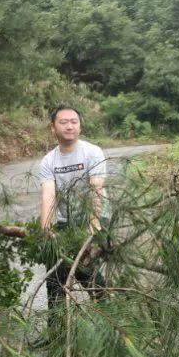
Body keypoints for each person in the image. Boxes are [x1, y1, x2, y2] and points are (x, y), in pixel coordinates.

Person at [37, 106, 108, 308]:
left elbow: (96, 189)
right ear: (53, 127)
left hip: (96, 216)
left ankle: (109, 309)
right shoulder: (48, 161)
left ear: (80, 126)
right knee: (55, 273)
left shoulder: (92, 152)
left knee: (81, 267)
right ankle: (56, 324)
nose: (69, 126)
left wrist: (93, 224)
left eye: (74, 122)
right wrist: (45, 229)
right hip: (66, 220)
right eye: (63, 122)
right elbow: (48, 195)